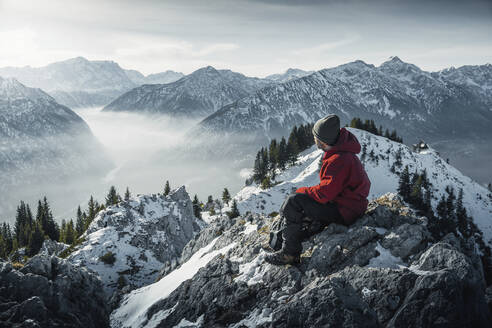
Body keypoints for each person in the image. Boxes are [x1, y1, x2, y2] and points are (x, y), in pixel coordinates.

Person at [265, 114, 371, 265]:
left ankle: (290, 253)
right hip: (349, 205)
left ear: (322, 141)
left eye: (315, 136)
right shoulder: (343, 153)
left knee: (293, 202)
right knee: (300, 201)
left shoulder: (338, 159)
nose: (313, 139)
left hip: (345, 211)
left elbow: (324, 194)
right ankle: (290, 238)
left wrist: (302, 192)